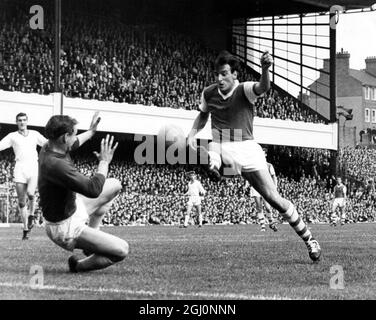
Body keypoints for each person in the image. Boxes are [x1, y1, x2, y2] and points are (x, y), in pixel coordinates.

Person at [187, 50, 321, 261]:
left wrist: (266, 69)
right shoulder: (208, 93)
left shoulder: (244, 89)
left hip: (248, 148)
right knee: (214, 146)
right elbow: (203, 115)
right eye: (217, 74)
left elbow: (263, 87)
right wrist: (191, 135)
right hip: (222, 145)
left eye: (224, 74)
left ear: (234, 74)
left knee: (274, 199)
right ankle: (212, 165)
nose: (219, 79)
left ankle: (310, 240)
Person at [38, 112, 129, 272]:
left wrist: (92, 131)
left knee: (114, 185)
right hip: (63, 227)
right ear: (65, 137)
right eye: (74, 134)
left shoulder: (49, 146)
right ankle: (77, 266)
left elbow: (75, 143)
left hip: (72, 208)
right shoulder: (56, 165)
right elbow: (93, 190)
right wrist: (104, 162)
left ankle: (91, 241)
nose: (76, 138)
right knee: (122, 250)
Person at [0, 113, 47, 240]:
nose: (22, 122)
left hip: (32, 166)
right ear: (16, 122)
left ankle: (31, 215)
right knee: (21, 201)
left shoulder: (34, 134)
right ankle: (25, 228)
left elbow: (46, 143)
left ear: (27, 121)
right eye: (19, 120)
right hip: (20, 168)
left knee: (31, 193)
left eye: (24, 120)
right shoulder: (12, 136)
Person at [249, 148, 278, 232]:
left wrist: (274, 187)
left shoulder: (269, 165)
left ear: (265, 155)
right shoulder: (255, 164)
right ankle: (263, 226)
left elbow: (273, 176)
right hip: (255, 187)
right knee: (259, 207)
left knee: (268, 207)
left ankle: (271, 222)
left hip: (265, 187)